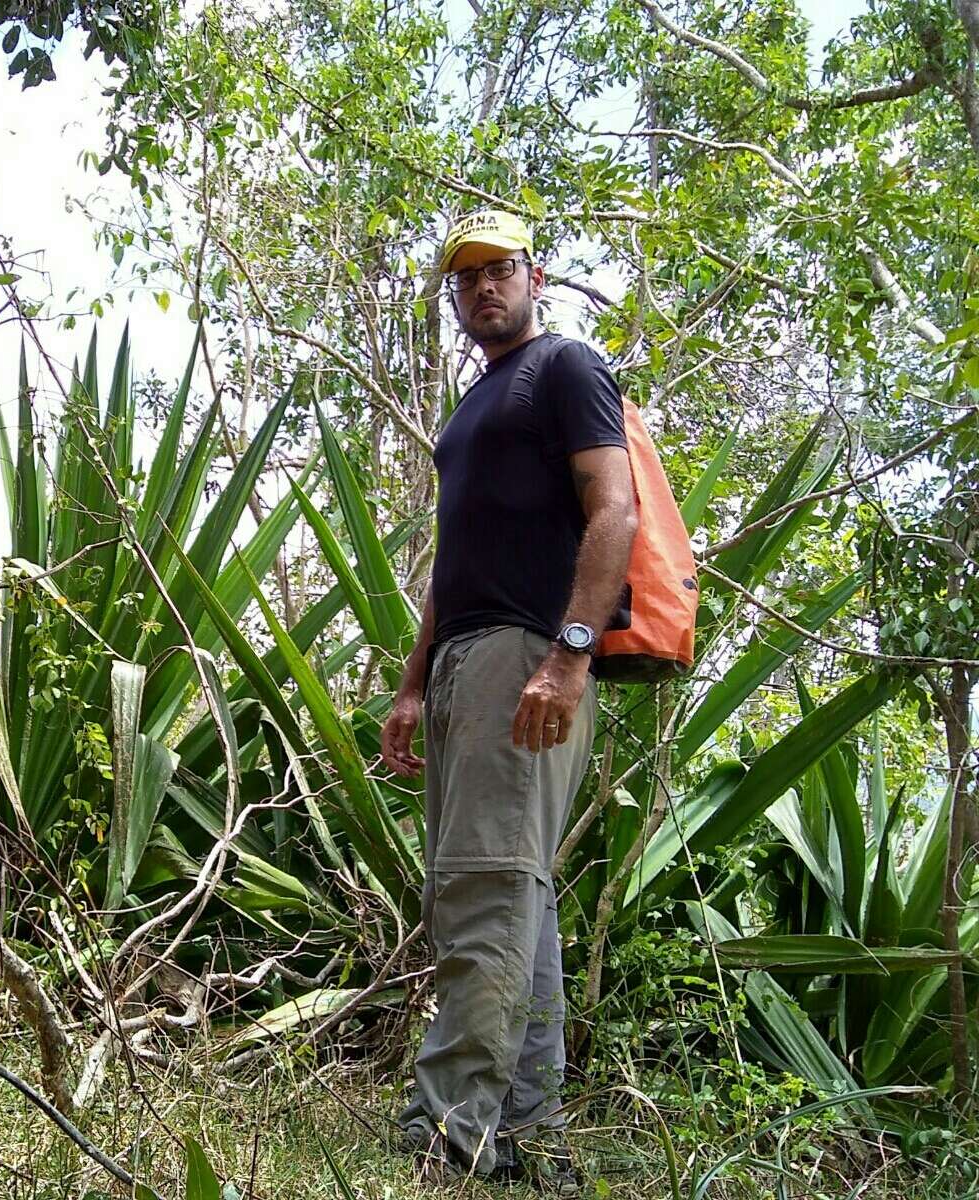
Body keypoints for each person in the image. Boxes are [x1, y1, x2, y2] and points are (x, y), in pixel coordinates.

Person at [381, 209, 637, 1187]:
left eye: (499, 270)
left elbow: (613, 507)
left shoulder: (564, 368)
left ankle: (446, 1132)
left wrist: (568, 655)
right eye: (465, 277)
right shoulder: (472, 407)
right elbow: (455, 561)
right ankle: (526, 1135)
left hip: (527, 654)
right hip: (463, 663)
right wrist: (412, 685)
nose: (483, 287)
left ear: (535, 277)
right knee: (508, 890)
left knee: (487, 882)